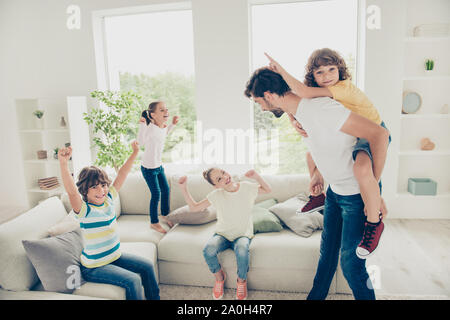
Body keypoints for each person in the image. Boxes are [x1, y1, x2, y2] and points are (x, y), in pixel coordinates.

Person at [244, 67, 390, 300]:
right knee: (327, 255)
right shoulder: (299, 113)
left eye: (259, 102)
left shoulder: (320, 108)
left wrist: (374, 187)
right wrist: (317, 175)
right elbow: (329, 146)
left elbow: (380, 135)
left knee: (352, 265)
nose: (261, 108)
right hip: (334, 193)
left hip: (355, 196)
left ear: (270, 95)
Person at [265, 49, 391, 259]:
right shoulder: (322, 93)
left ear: (340, 70)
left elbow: (302, 93)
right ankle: (317, 195)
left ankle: (374, 223)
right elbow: (297, 103)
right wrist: (293, 120)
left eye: (332, 69)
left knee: (361, 170)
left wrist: (280, 70)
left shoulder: (342, 87)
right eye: (320, 72)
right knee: (311, 155)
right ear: (313, 76)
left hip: (373, 134)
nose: (327, 76)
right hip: (356, 134)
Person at [58, 142, 160, 300]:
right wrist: (64, 164)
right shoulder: (85, 210)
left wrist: (134, 153)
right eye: (94, 187)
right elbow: (71, 192)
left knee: (146, 266)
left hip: (115, 257)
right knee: (133, 280)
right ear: (85, 190)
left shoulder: (109, 199)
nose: (101, 191)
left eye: (103, 185)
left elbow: (122, 175)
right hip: (94, 267)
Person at [177, 168, 271, 300]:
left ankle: (241, 281)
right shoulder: (216, 195)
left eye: (223, 173)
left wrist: (256, 176)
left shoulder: (246, 187)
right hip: (222, 234)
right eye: (219, 179)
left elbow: (268, 190)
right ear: (216, 186)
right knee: (208, 250)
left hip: (242, 234)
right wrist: (183, 188)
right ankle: (219, 278)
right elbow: (194, 208)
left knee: (243, 251)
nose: (225, 177)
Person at [138, 101, 179, 234]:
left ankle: (165, 215)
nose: (166, 111)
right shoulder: (150, 128)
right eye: (161, 110)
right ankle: (154, 223)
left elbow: (164, 133)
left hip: (158, 166)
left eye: (166, 109)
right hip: (148, 168)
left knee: (166, 190)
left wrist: (172, 124)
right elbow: (141, 142)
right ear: (152, 115)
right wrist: (143, 125)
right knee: (156, 194)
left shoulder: (161, 128)